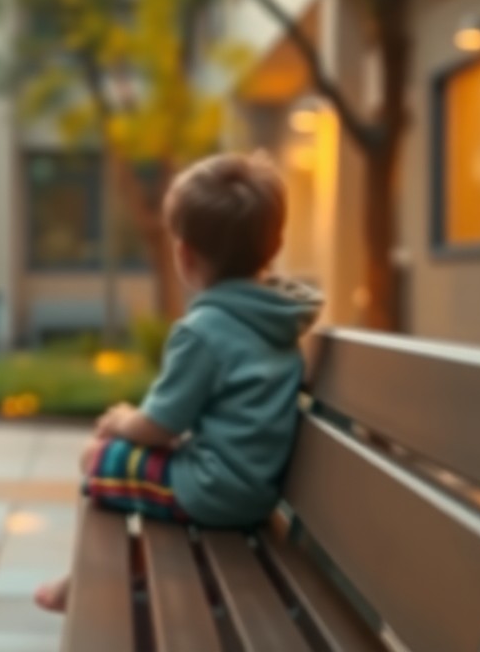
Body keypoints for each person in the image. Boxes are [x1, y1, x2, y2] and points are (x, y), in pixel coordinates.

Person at [35, 152, 322, 613]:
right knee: (132, 468)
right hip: (253, 488)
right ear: (275, 244)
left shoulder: (204, 328)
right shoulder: (280, 320)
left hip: (213, 489)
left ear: (184, 255)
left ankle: (88, 581)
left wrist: (124, 420)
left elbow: (160, 426)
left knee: (98, 457)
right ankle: (121, 568)